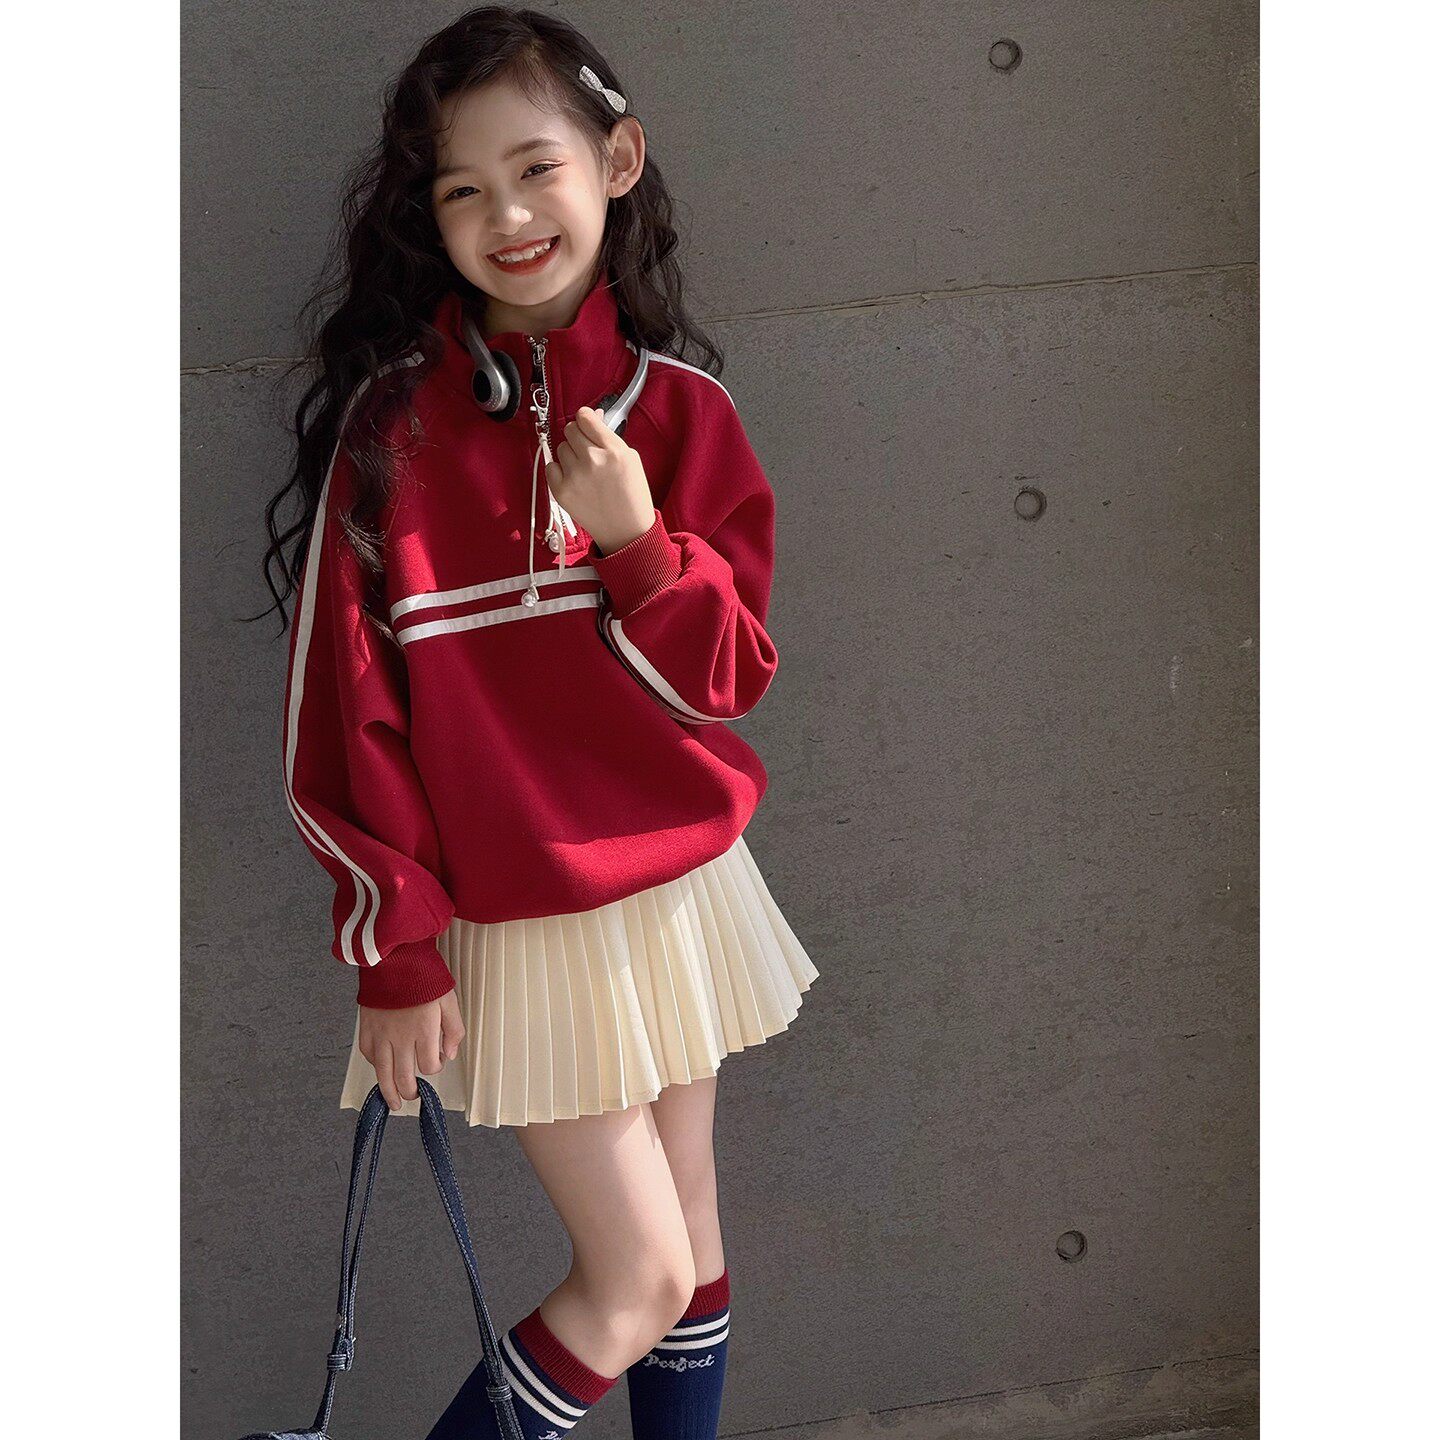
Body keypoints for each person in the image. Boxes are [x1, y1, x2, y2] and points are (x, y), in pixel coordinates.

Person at [260, 8, 819, 1438]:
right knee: (633, 1280)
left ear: (616, 161)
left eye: (537, 169)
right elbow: (340, 718)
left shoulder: (681, 415)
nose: (507, 216)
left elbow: (731, 674)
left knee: (690, 1241)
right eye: (463, 189)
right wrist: (395, 942)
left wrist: (635, 542)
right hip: (520, 912)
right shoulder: (393, 438)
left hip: (679, 887)